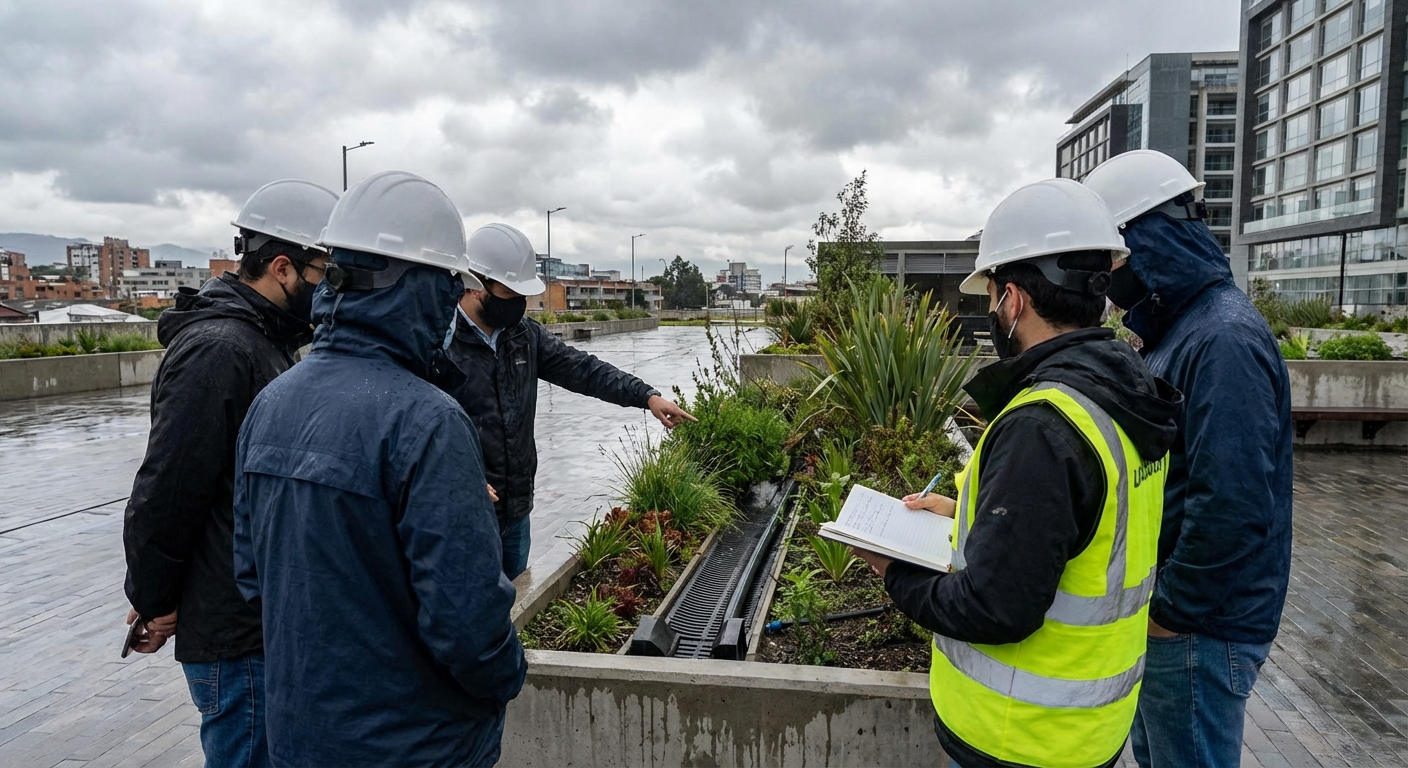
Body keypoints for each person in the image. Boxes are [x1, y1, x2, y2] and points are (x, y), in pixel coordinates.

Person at [852, 178, 1181, 768]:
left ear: (1014, 300)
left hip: (1019, 738)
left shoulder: (1044, 423)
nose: (992, 313)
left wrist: (893, 572)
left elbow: (994, 609)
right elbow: (1090, 525)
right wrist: (965, 513)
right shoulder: (1124, 389)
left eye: (991, 298)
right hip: (1086, 730)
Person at [232, 171, 526, 767]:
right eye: (447, 287)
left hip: (303, 737)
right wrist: (506, 676)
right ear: (420, 291)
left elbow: (252, 577)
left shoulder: (272, 402)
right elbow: (468, 624)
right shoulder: (428, 422)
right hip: (417, 744)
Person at [1084, 149, 1294, 768]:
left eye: (1113, 259)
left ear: (1145, 242)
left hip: (1200, 628)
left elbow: (1231, 502)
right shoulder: (1183, 330)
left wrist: (1171, 614)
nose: (1109, 277)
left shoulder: (1220, 339)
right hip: (1185, 622)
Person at [121, 179, 337, 767]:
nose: (333, 289)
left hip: (258, 620)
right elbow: (168, 488)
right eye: (326, 272)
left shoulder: (262, 341)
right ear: (284, 267)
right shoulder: (221, 348)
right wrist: (154, 597)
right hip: (235, 634)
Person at [446, 222, 695, 579]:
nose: (519, 302)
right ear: (474, 285)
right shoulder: (439, 342)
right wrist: (451, 471)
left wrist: (646, 396)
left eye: (523, 293)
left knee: (515, 603)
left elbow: (585, 371)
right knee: (467, 612)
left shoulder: (523, 336)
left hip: (516, 508)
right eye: (509, 292)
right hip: (463, 511)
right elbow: (413, 423)